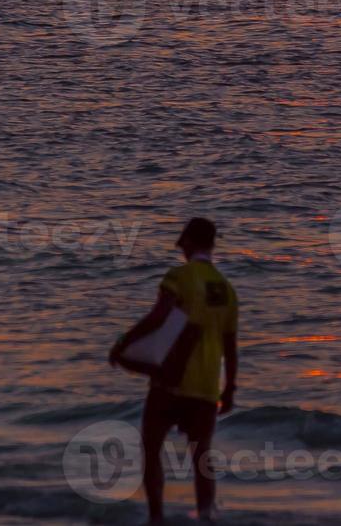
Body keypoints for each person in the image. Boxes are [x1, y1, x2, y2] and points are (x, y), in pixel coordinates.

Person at [110, 218, 239, 525]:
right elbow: (230, 346)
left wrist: (123, 344)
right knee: (202, 456)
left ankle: (157, 518)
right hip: (207, 386)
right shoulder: (227, 289)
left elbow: (158, 318)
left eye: (183, 241)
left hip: (170, 381)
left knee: (151, 447)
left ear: (190, 242)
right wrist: (230, 388)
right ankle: (206, 516)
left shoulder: (179, 276)